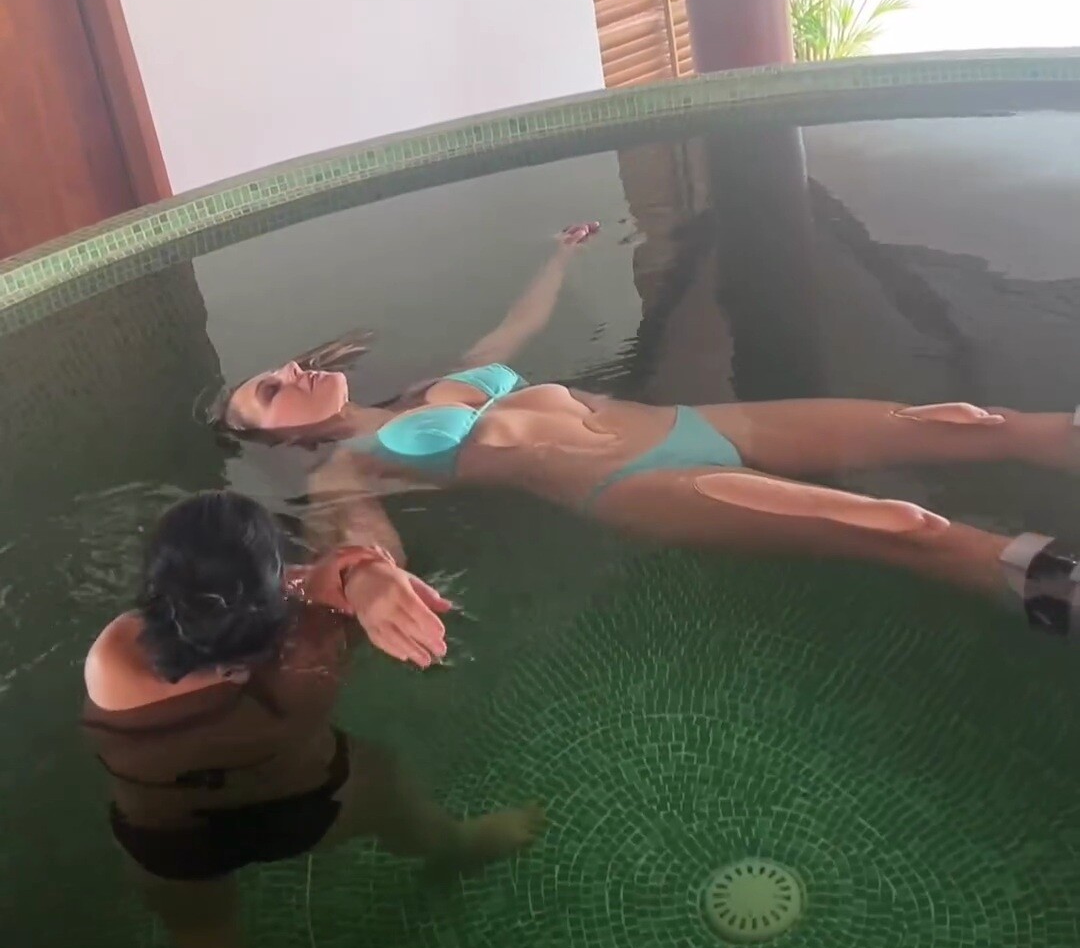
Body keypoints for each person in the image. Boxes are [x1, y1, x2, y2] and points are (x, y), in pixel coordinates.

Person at [218, 227, 1080, 640]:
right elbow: (355, 540)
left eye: (283, 366)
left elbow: (518, 327)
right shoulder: (350, 465)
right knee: (902, 526)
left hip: (698, 424)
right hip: (639, 487)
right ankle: (1058, 588)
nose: (291, 370)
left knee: (966, 425)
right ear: (276, 439)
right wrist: (369, 582)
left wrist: (559, 256)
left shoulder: (441, 383)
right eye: (270, 390)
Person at [84, 491, 542, 948]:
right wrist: (363, 572)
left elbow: (215, 622)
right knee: (382, 778)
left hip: (174, 838)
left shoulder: (115, 659)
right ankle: (459, 845)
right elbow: (324, 580)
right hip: (304, 807)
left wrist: (334, 579)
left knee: (203, 942)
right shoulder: (313, 648)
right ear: (273, 594)